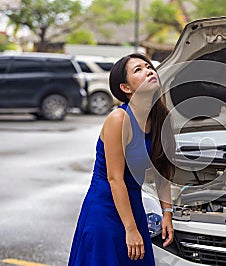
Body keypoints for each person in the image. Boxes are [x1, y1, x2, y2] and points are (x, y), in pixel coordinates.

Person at [68, 53, 175, 266]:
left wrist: (167, 213)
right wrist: (131, 229)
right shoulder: (118, 119)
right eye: (138, 70)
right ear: (126, 88)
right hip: (105, 209)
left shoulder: (159, 118)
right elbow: (114, 178)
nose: (149, 71)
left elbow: (162, 169)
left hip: (132, 206)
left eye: (148, 66)